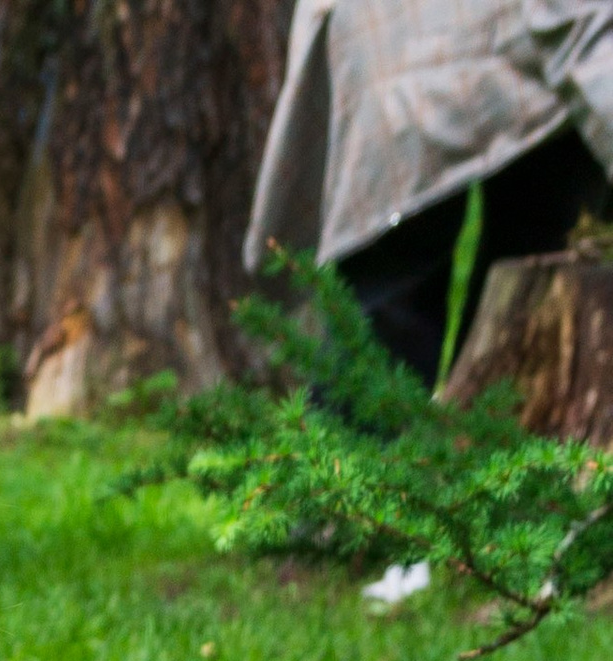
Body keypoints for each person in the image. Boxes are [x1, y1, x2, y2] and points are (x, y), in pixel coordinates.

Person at [249, 0, 613, 383]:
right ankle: (371, 424)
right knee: (392, 315)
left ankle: (495, 406)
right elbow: (581, 33)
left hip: (492, 54)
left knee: (532, 274)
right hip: (407, 54)